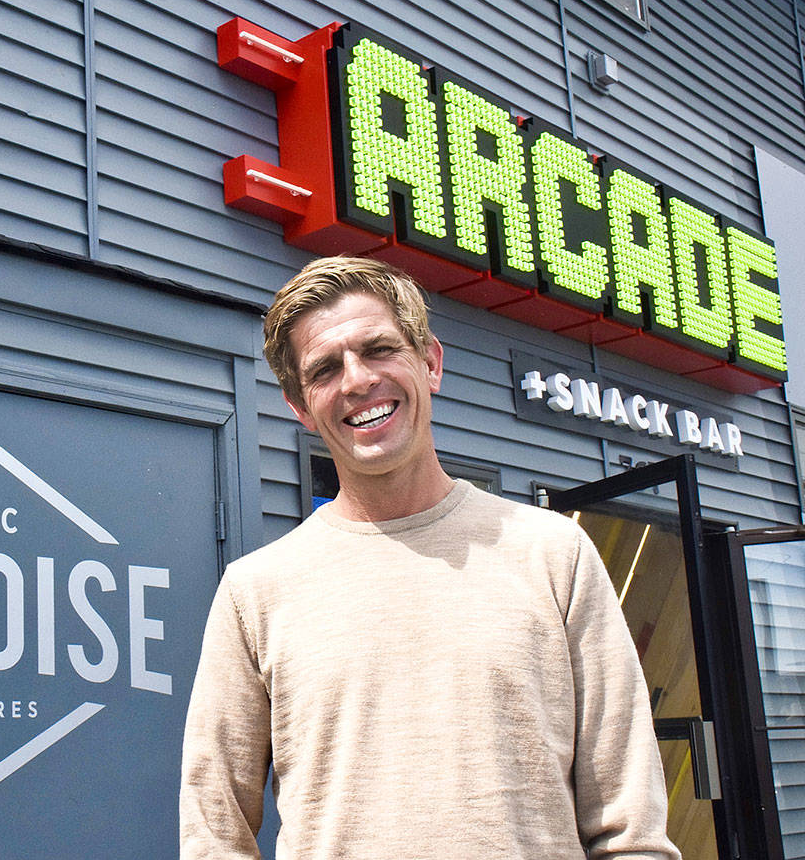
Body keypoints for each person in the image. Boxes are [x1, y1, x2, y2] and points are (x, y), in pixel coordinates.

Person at [179, 256, 680, 859]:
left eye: (379, 349)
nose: (358, 379)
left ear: (432, 362)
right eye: (325, 369)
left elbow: (631, 829)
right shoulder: (255, 592)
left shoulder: (554, 554)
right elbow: (214, 833)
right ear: (301, 408)